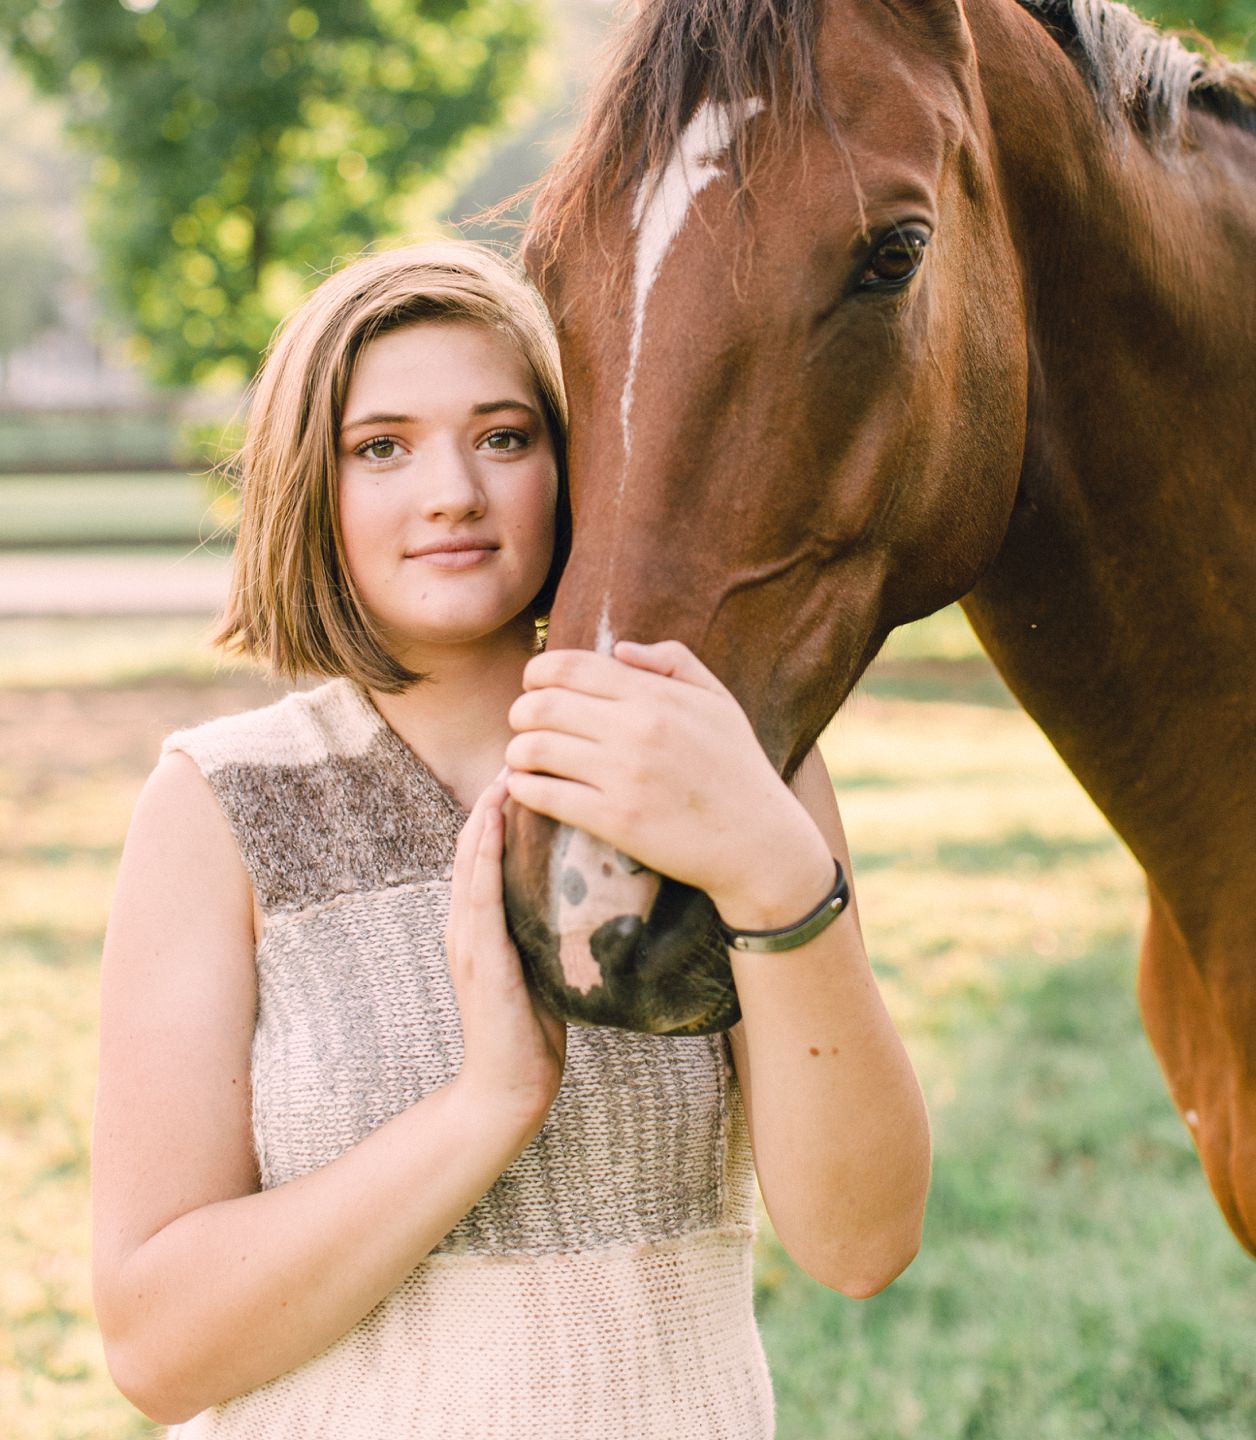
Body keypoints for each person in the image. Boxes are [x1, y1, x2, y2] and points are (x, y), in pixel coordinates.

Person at [90, 239, 930, 1439]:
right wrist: (487, 1103)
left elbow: (860, 1244)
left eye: (503, 436)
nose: (451, 494)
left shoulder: (723, 761)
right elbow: (156, 1348)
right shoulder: (222, 807)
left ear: (575, 463)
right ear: (305, 485)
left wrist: (772, 870)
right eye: (380, 447)